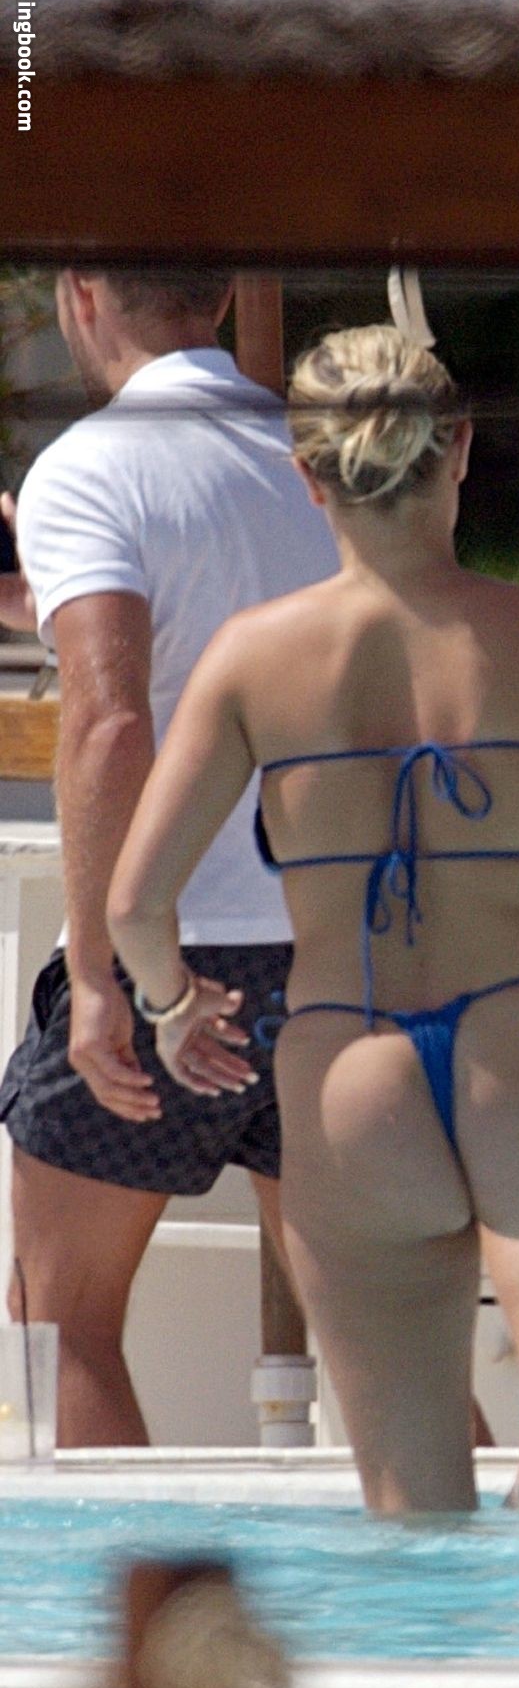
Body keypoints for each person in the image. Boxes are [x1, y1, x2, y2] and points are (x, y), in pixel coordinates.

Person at [107, 325, 519, 1516]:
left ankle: (473, 1523)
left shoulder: (250, 660)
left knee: (413, 1520)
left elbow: (137, 906)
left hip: (355, 1073)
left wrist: (169, 1006)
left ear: (309, 478)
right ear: (457, 448)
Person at [0, 268, 339, 1446]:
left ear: (81, 292)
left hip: (175, 954)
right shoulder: (312, 453)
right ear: (219, 290)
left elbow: (111, 723)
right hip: (336, 947)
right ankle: (489, 1568)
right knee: (377, 1335)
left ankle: (142, 1583)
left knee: (61, 1329)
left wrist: (100, 975)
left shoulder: (95, 464)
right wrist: (49, 604)